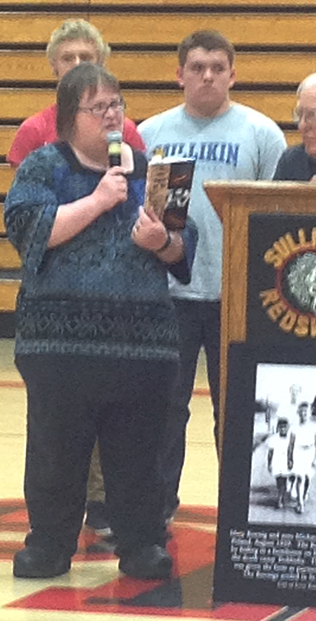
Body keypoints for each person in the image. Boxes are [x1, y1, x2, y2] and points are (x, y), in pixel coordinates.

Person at [4, 63, 197, 580]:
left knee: (138, 455)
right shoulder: (44, 166)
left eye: (117, 104)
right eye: (100, 107)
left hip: (144, 347)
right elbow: (30, 232)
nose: (113, 115)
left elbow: (183, 247)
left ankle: (140, 545)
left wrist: (161, 242)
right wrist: (97, 200)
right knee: (55, 452)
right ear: (71, 117)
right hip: (59, 347)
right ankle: (48, 545)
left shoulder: (154, 170)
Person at [138, 30, 287, 521]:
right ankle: (155, 509)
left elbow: (276, 219)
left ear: (232, 74)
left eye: (217, 68)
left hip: (238, 295)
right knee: (164, 411)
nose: (207, 76)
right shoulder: (152, 133)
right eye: (197, 67)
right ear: (179, 73)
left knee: (240, 413)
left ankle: (243, 511)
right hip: (168, 294)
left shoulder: (262, 134)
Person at [7, 18, 146, 535]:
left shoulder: (127, 132)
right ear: (53, 67)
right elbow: (30, 217)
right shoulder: (35, 135)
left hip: (119, 295)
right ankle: (57, 520)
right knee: (58, 420)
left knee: (117, 414)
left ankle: (108, 506)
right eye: (69, 58)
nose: (80, 64)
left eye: (89, 56)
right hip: (56, 289)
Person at [7, 18, 145, 168]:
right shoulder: (34, 130)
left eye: (85, 58)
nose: (77, 65)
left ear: (100, 63)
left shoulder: (125, 129)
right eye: (67, 58)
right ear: (54, 66)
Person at [288, 402, 316, 514]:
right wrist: (290, 459)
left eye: (305, 412)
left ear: (310, 413)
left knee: (307, 478)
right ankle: (300, 503)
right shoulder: (294, 428)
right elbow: (291, 445)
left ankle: (304, 493)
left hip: (310, 453)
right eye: (301, 411)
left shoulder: (315, 427)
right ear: (298, 413)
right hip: (298, 452)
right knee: (300, 477)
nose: (303, 414)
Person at [267, 417, 291, 509]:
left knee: (284, 481)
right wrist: (269, 464)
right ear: (278, 428)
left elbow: (293, 451)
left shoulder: (290, 438)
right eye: (281, 427)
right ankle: (281, 496)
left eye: (285, 427)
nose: (283, 429)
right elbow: (270, 453)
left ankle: (280, 499)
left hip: (286, 463)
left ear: (287, 428)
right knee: (279, 482)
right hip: (277, 462)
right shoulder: (274, 438)